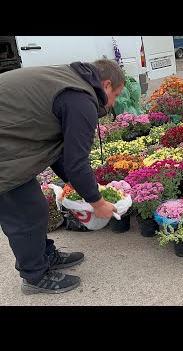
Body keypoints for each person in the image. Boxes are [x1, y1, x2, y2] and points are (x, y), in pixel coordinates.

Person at [0, 59, 125, 294]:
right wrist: (97, 203)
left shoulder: (72, 82)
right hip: (5, 146)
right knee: (25, 212)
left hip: (8, 136)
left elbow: (60, 149)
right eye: (116, 95)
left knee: (33, 207)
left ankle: (44, 256)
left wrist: (72, 182)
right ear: (106, 85)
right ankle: (34, 277)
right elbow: (76, 162)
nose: (114, 103)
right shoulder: (81, 99)